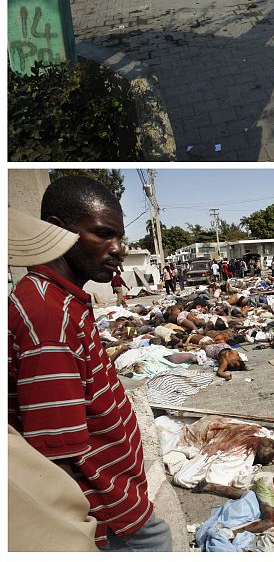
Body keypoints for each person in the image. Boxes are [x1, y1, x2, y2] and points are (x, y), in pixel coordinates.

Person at [8, 176, 172, 550]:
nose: (116, 250)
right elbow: (55, 450)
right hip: (104, 505)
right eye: (102, 235)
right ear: (57, 228)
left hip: (115, 490)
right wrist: (79, 529)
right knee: (157, 542)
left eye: (119, 237)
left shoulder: (59, 300)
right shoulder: (50, 318)